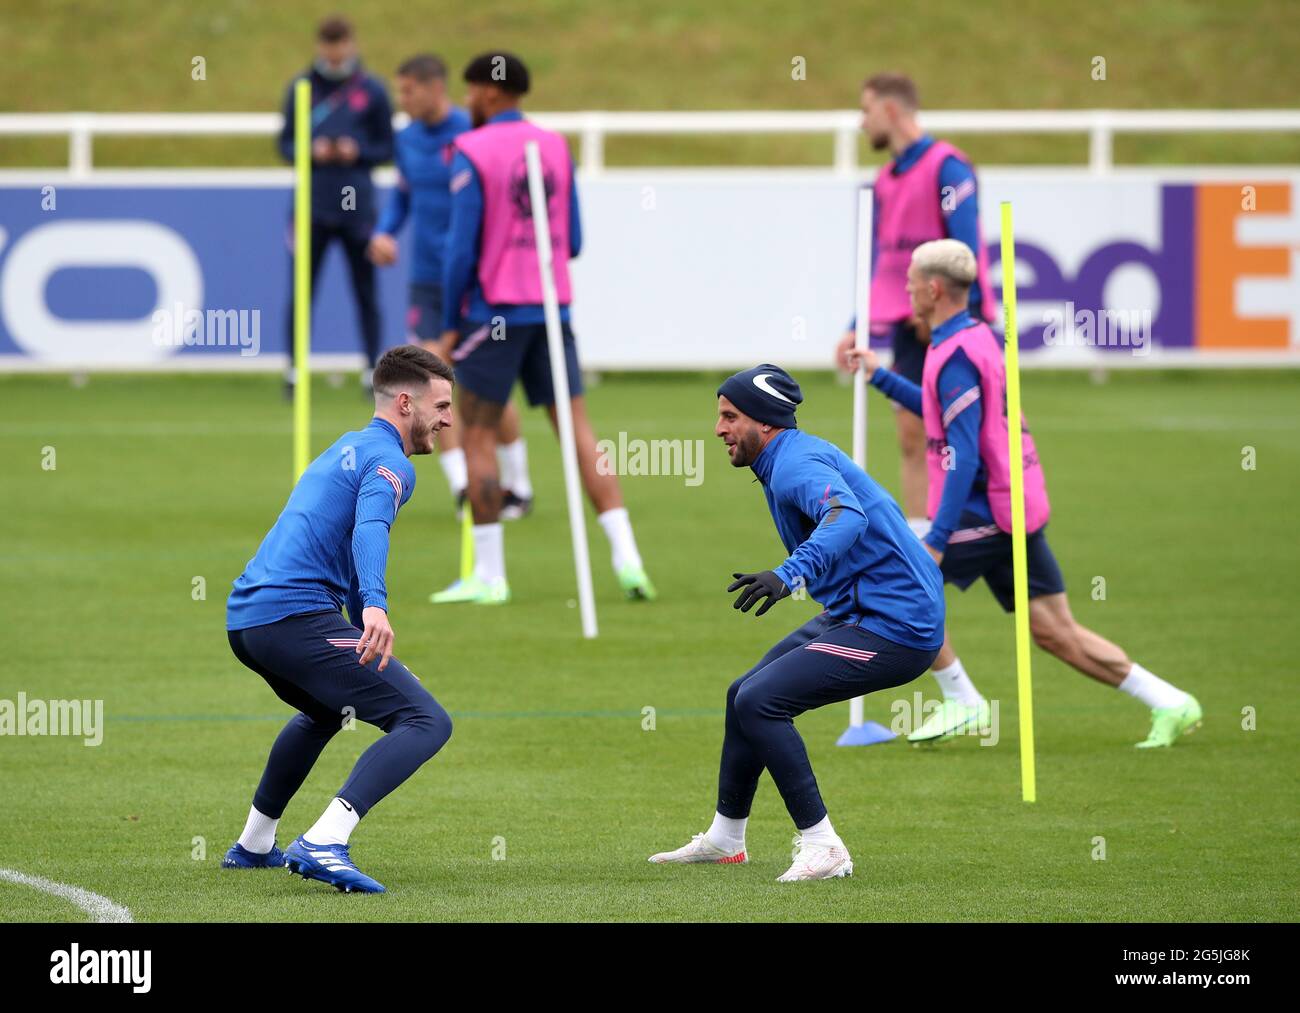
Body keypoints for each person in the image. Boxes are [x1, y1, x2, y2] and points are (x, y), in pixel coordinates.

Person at [850, 240, 1202, 747]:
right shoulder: (975, 337)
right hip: (1013, 503)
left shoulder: (953, 354)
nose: (903, 290)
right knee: (1055, 630)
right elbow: (942, 411)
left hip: (984, 512)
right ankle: (1170, 701)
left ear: (932, 288)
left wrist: (938, 537)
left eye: (910, 282)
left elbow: (964, 453)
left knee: (892, 586)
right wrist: (880, 376)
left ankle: (963, 700)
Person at [649, 365, 944, 881]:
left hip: (897, 627)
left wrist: (788, 575)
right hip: (861, 611)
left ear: (764, 422)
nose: (718, 429)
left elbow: (847, 515)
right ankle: (726, 837)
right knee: (742, 692)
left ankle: (823, 845)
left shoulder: (793, 464)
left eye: (728, 416)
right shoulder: (787, 457)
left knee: (761, 701)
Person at [221, 345, 455, 893]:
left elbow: (340, 544)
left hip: (249, 621)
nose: (448, 420)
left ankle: (255, 844)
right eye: (441, 406)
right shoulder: (391, 462)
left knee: (329, 709)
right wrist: (375, 607)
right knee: (426, 720)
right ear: (404, 402)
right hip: (292, 617)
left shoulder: (344, 448)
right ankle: (324, 841)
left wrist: (358, 632)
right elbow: (370, 531)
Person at [430, 51, 655, 605]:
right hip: (553, 312)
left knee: (477, 433)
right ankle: (629, 559)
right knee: (578, 429)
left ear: (488, 91)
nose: (466, 102)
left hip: (496, 313)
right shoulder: (555, 145)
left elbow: (460, 248)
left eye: (471, 91)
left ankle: (489, 575)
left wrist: (448, 322)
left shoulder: (472, 151)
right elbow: (573, 239)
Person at [368, 53, 534, 519]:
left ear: (434, 86)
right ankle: (466, 488)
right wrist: (384, 230)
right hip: (426, 278)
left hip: (474, 278)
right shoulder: (406, 141)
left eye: (408, 91)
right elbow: (403, 195)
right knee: (429, 381)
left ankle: (518, 484)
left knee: (486, 385)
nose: (403, 100)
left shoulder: (472, 131)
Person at [835, 72, 996, 535]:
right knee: (912, 436)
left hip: (955, 328)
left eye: (865, 111)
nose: (861, 123)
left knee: (972, 440)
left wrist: (955, 318)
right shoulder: (884, 180)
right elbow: (883, 262)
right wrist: (857, 324)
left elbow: (967, 252)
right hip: (910, 326)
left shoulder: (949, 168)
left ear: (890, 110)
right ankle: (922, 543)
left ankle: (984, 532)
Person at [278, 15, 394, 395]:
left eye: (340, 43)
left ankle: (371, 369)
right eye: (328, 44)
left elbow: (387, 147)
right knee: (302, 289)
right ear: (319, 45)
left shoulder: (372, 90)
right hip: (312, 204)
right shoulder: (302, 87)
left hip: (357, 206)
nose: (334, 52)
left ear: (351, 43)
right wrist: (308, 151)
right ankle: (295, 370)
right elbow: (284, 144)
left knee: (365, 289)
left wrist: (355, 150)